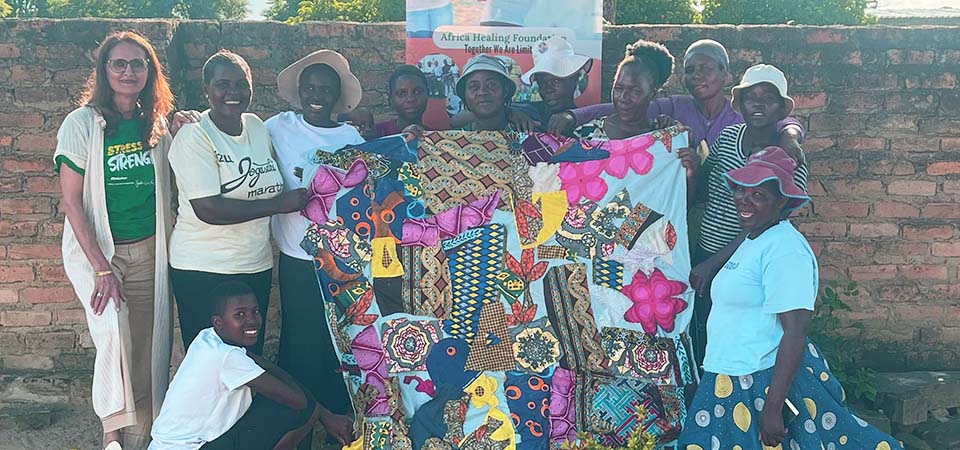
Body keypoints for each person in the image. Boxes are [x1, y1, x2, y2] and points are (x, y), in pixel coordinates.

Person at [678, 147, 902, 450]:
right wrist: (711, 264)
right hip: (728, 373)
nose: (744, 199)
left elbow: (795, 332)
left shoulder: (786, 251)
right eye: (742, 190)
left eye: (758, 195)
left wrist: (772, 410)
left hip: (758, 380)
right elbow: (748, 244)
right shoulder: (757, 236)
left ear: (782, 201)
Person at [54, 30, 197, 450]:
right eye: (119, 63)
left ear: (150, 72)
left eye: (138, 64)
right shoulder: (82, 124)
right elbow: (73, 203)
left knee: (146, 346)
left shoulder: (155, 125)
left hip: (150, 249)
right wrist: (100, 267)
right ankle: (110, 433)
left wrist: (183, 125)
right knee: (112, 337)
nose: (128, 71)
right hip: (101, 252)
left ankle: (140, 436)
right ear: (104, 70)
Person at [167, 50, 306, 354]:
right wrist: (278, 205)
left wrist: (353, 121)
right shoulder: (194, 135)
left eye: (241, 84)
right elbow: (208, 209)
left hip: (253, 264)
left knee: (248, 355)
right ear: (206, 90)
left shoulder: (256, 126)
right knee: (209, 360)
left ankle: (248, 406)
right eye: (223, 85)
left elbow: (299, 135)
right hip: (203, 266)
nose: (233, 92)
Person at [266, 49, 362, 449]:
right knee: (301, 346)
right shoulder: (276, 127)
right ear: (299, 91)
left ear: (338, 96)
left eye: (326, 88)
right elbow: (227, 130)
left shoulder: (351, 138)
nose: (317, 94)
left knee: (339, 348)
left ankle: (340, 433)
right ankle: (300, 432)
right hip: (298, 259)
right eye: (310, 87)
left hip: (342, 263)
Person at [687, 64, 810, 371]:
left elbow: (768, 227)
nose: (758, 104)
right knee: (704, 330)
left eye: (768, 98)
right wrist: (690, 170)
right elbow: (704, 187)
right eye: (750, 97)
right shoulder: (728, 138)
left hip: (750, 266)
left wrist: (715, 263)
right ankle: (709, 397)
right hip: (707, 250)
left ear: (781, 108)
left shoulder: (790, 159)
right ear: (738, 105)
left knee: (745, 334)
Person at [148, 281, 321, 450]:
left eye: (256, 312)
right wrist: (317, 409)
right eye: (240, 314)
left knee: (281, 401)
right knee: (300, 408)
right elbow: (299, 402)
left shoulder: (207, 338)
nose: (252, 320)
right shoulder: (228, 357)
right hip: (191, 447)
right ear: (218, 322)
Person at [571, 39, 700, 182]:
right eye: (618, 88)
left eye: (635, 91)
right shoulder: (585, 135)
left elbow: (677, 199)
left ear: (653, 93)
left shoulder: (665, 141)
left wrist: (691, 174)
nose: (624, 97)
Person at [516, 36, 593, 128]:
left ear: (575, 79)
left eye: (555, 81)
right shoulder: (529, 115)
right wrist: (511, 113)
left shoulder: (588, 123)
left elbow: (612, 109)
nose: (548, 89)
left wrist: (572, 115)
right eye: (541, 83)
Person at [453, 54, 517, 132]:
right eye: (474, 86)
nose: (482, 92)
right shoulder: (451, 139)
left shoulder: (527, 135)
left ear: (505, 90)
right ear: (465, 95)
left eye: (491, 85)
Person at [374, 64, 429, 137]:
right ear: (391, 99)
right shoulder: (376, 134)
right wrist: (401, 139)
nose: (411, 99)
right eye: (402, 93)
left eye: (417, 92)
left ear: (427, 94)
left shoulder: (437, 138)